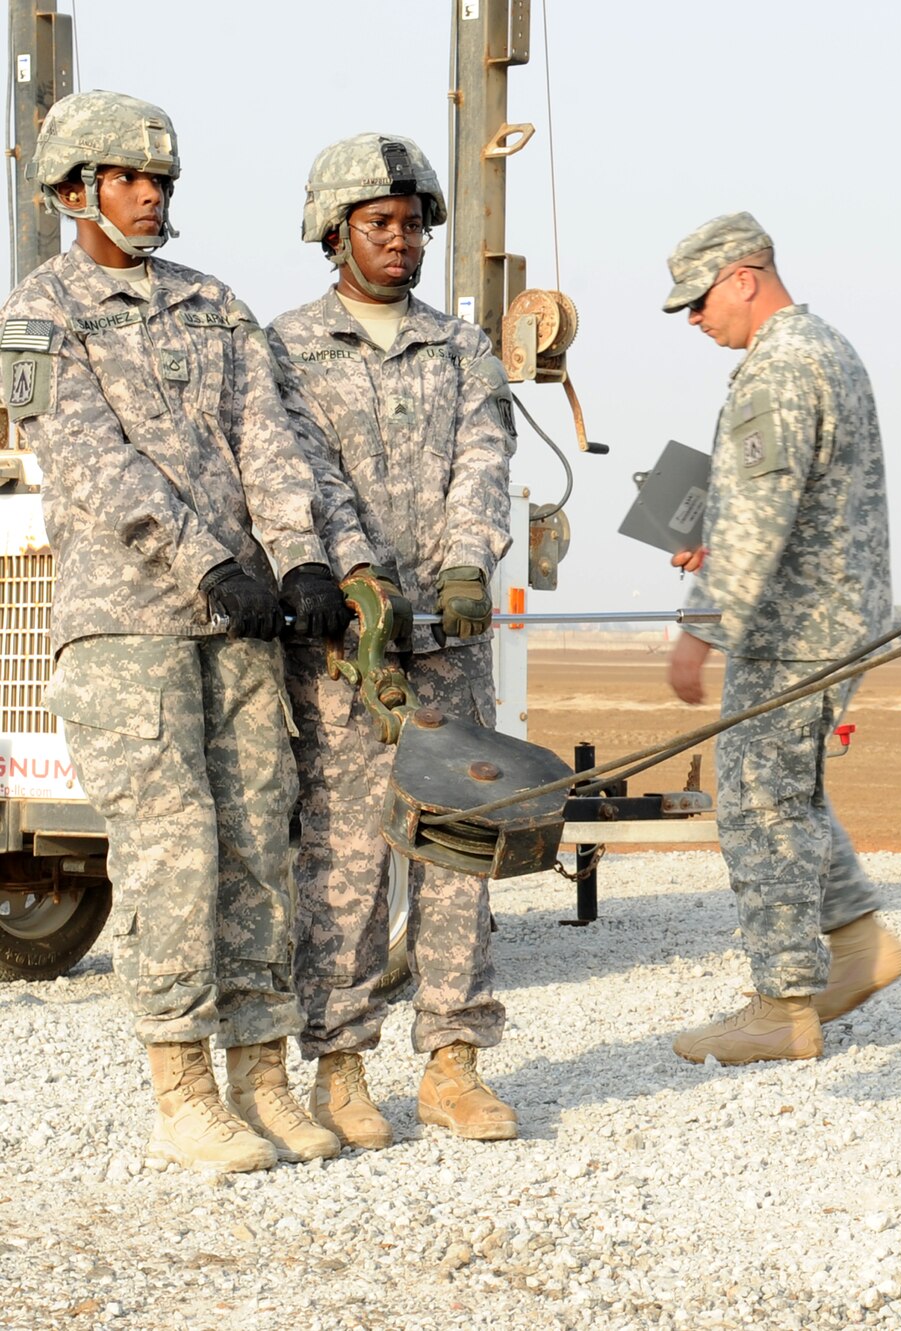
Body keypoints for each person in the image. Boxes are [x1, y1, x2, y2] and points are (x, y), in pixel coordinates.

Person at [1, 90, 347, 1173]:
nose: (151, 196)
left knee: (258, 834)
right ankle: (182, 1088)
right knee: (170, 848)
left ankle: (261, 1073)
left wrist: (297, 553)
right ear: (74, 191)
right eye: (129, 179)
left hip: (243, 619)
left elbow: (272, 437)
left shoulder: (215, 304)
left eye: (161, 181)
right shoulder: (39, 311)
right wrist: (206, 561)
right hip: (130, 625)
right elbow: (95, 461)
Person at [265, 133, 520, 1145]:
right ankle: (338, 1062)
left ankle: (454, 1060)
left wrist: (466, 561)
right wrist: (359, 572)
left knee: (458, 841)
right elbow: (297, 473)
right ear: (334, 234)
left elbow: (484, 455)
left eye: (413, 225)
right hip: (344, 647)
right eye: (379, 225)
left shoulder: (460, 350)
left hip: (446, 642)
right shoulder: (288, 348)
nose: (401, 242)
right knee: (342, 856)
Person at [661, 211, 901, 1065]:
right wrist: (709, 529)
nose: (693, 319)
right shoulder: (825, 348)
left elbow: (762, 519)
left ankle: (783, 1004)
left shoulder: (779, 368)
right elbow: (776, 501)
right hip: (831, 613)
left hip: (795, 628)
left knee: (758, 804)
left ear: (744, 277)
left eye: (697, 300)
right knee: (789, 789)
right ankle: (860, 944)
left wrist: (697, 629)